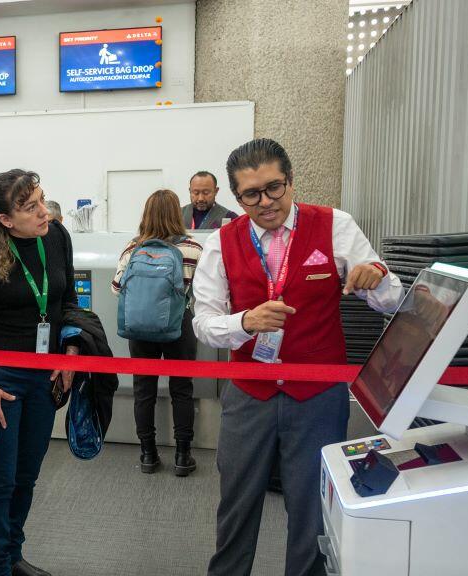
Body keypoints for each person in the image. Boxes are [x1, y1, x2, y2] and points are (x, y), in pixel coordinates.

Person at [192, 138, 403, 576]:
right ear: (236, 197)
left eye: (275, 187)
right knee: (237, 505)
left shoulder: (334, 225)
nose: (267, 202)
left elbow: (392, 301)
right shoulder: (221, 242)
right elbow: (203, 321)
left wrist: (375, 280)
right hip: (249, 394)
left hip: (318, 397)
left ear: (290, 181)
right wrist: (245, 322)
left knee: (312, 511)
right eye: (252, 194)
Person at [0, 169, 79, 576]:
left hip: (44, 376)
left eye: (43, 200)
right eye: (30, 208)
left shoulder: (56, 237)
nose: (44, 212)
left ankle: (12, 554)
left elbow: (69, 302)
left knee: (26, 476)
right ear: (5, 220)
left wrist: (70, 352)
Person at [110, 189, 202, 476]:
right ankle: (182, 456)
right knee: (182, 390)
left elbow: (116, 288)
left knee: (143, 391)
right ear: (177, 213)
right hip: (178, 326)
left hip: (140, 328)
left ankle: (148, 455)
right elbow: (203, 290)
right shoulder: (193, 248)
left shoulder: (132, 248)